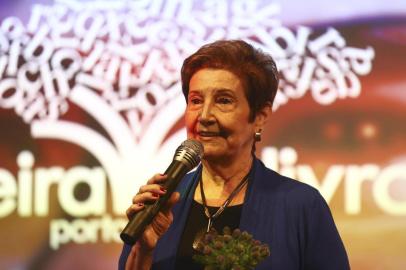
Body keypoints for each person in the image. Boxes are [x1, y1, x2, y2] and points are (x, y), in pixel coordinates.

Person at [118, 39, 350, 270]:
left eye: (223, 101)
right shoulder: (163, 204)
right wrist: (143, 250)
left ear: (260, 115)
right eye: (196, 101)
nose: (205, 116)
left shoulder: (301, 207)